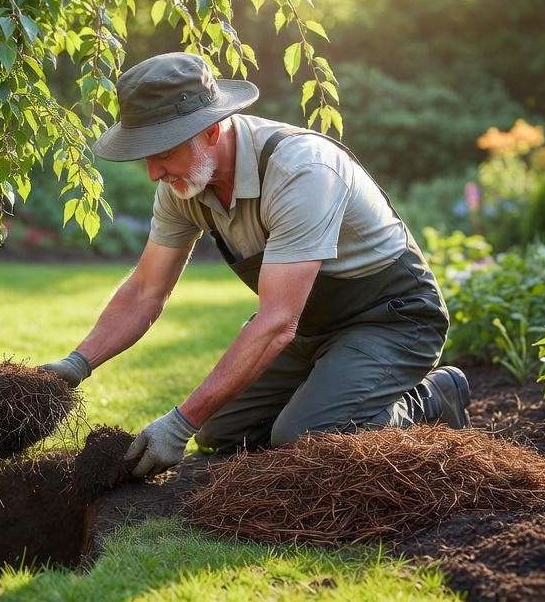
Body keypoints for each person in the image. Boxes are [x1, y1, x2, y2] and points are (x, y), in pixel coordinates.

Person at [41, 52, 468, 477]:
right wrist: (75, 366)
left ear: (210, 131)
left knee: (306, 438)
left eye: (163, 151)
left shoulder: (301, 171)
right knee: (223, 434)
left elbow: (277, 320)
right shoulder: (184, 186)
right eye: (145, 155)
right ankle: (333, 389)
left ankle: (431, 398)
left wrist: (178, 422)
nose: (154, 172)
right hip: (310, 326)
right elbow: (145, 290)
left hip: (391, 319)